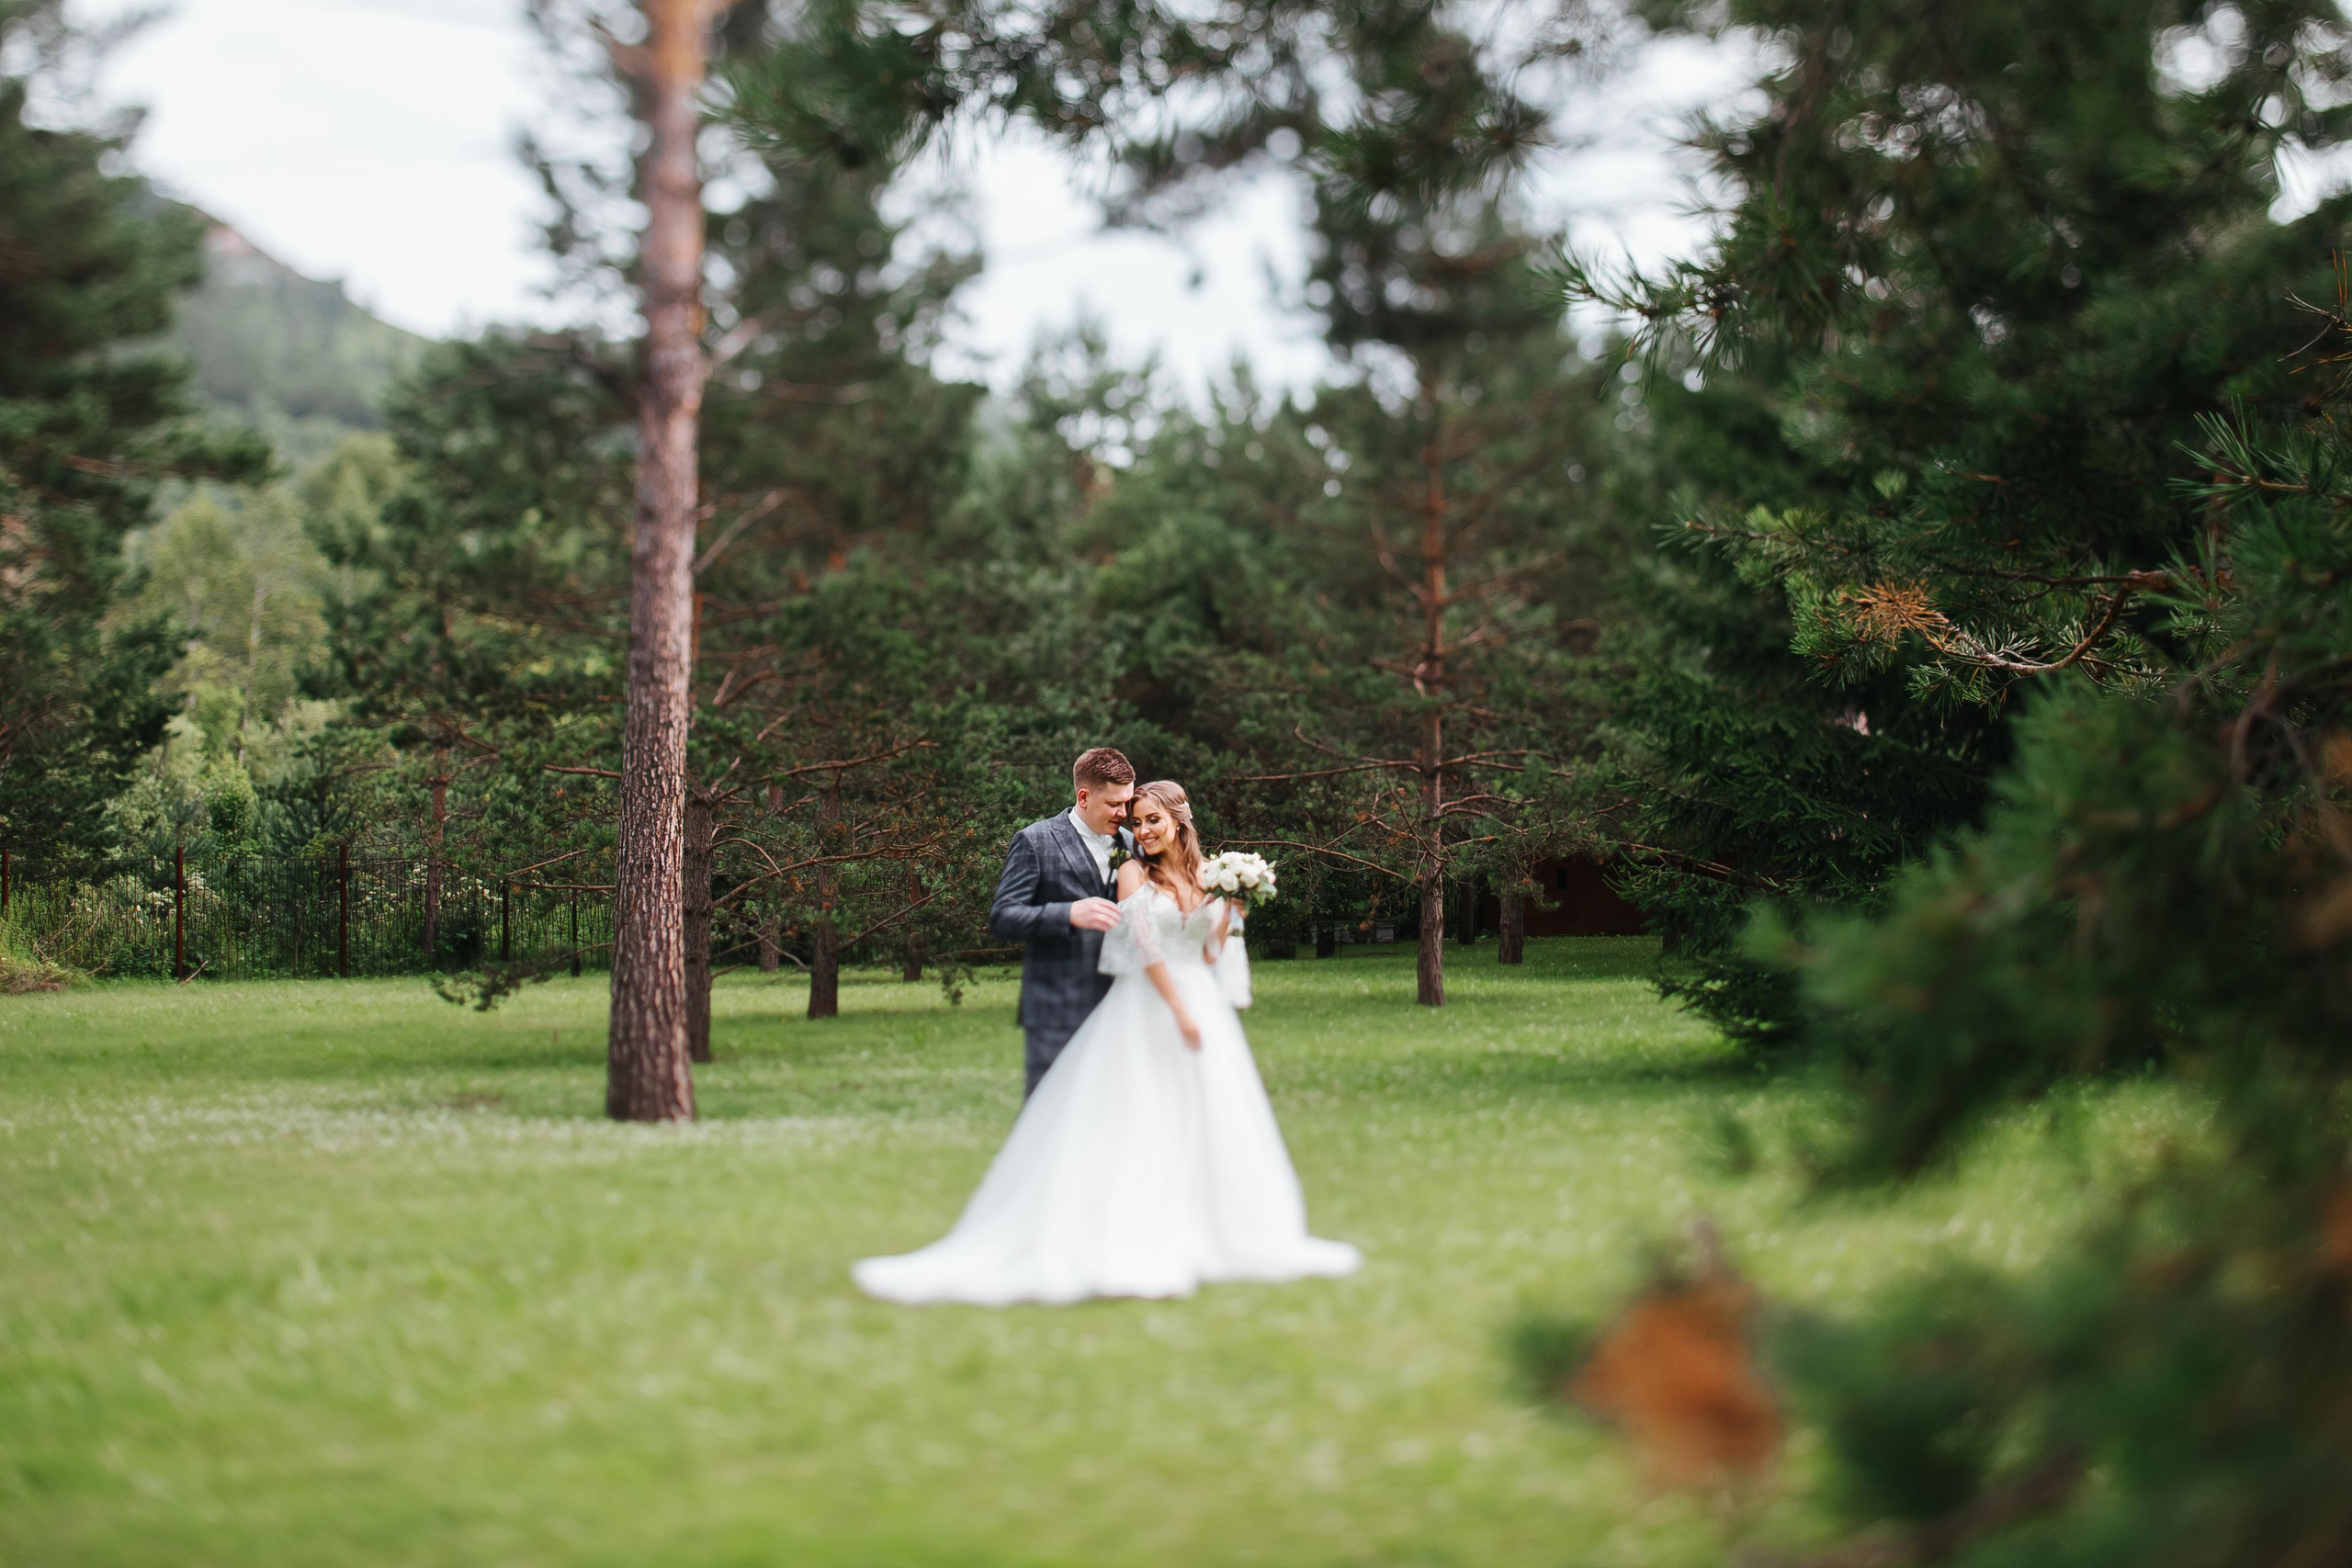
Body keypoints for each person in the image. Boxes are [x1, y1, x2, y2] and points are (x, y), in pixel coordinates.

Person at [852, 779, 1361, 1306]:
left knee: (1202, 1111)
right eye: (1136, 821)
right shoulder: (1133, 871)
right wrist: (1180, 1011)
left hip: (1201, 1002)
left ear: (1179, 821)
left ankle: (1205, 1227)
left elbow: (1208, 955)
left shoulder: (1205, 877)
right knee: (1136, 1113)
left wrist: (1231, 917)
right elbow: (1145, 947)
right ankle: (1114, 1229)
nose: (1141, 829)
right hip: (1149, 1003)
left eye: (1151, 820)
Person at [986, 746, 1138, 1097]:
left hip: (1120, 1006)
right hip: (1056, 1010)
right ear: (1084, 796)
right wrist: (1067, 913)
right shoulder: (1035, 841)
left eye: (1127, 802)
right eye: (1114, 804)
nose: (1124, 812)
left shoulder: (1131, 843)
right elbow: (1003, 917)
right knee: (1050, 1116)